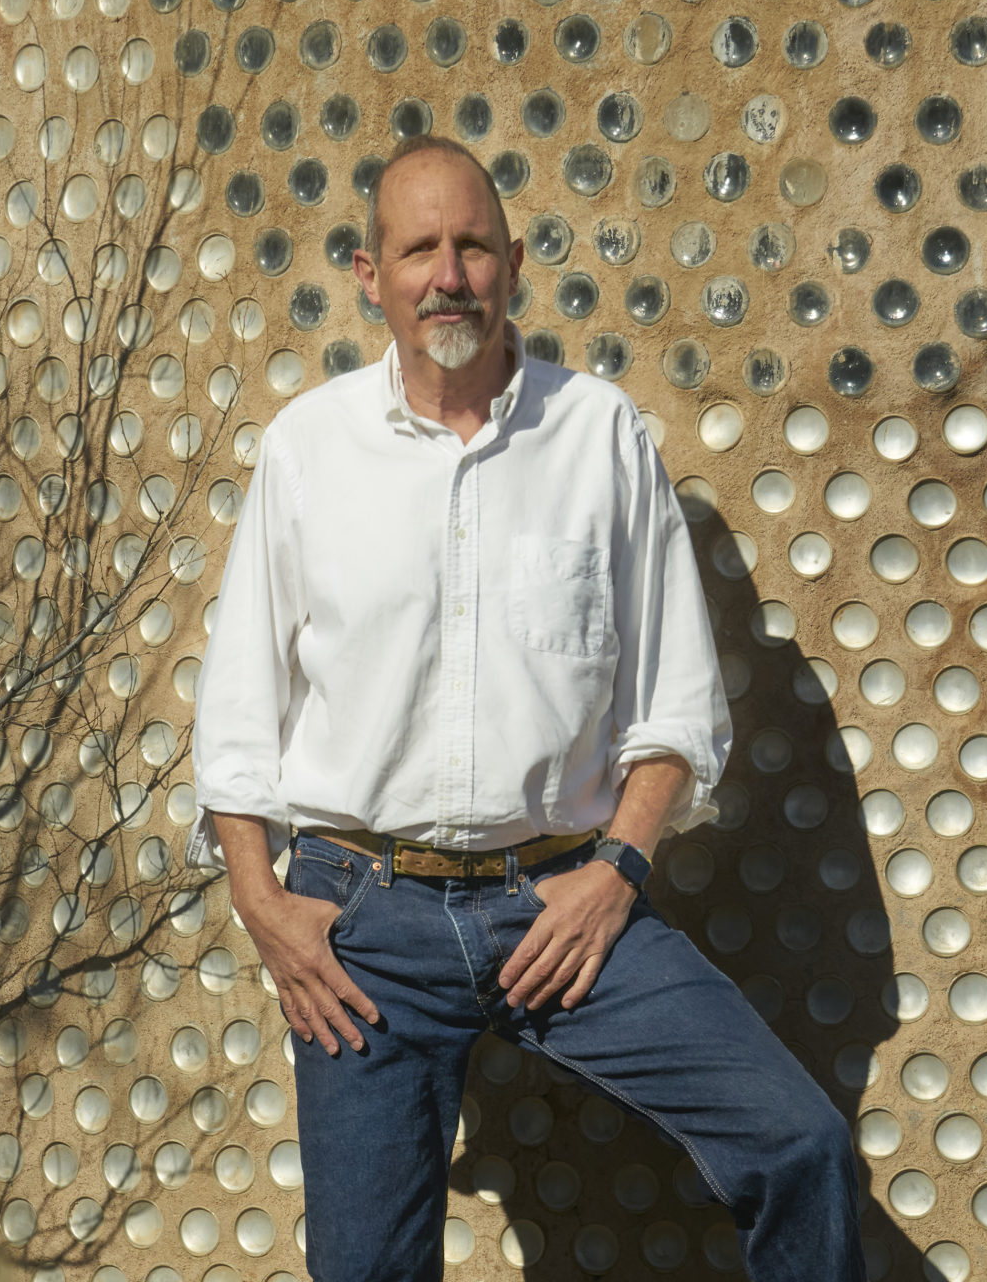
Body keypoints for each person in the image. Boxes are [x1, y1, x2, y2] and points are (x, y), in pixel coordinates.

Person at [186, 133, 867, 1282]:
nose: (447, 275)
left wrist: (617, 873)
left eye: (472, 246)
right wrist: (264, 902)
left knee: (800, 1143)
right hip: (365, 928)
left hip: (564, 904)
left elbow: (678, 710)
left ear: (511, 263)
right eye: (418, 250)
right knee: (362, 1273)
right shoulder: (308, 451)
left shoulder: (598, 436)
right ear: (371, 274)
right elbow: (239, 715)